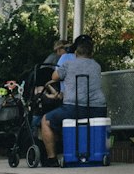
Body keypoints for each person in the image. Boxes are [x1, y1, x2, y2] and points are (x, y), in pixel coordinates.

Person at [40, 36, 107, 165]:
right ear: (91, 53)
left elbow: (54, 76)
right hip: (98, 108)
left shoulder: (68, 63)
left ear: (75, 52)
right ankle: (94, 154)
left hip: (73, 107)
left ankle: (51, 159)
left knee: (46, 120)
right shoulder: (96, 66)